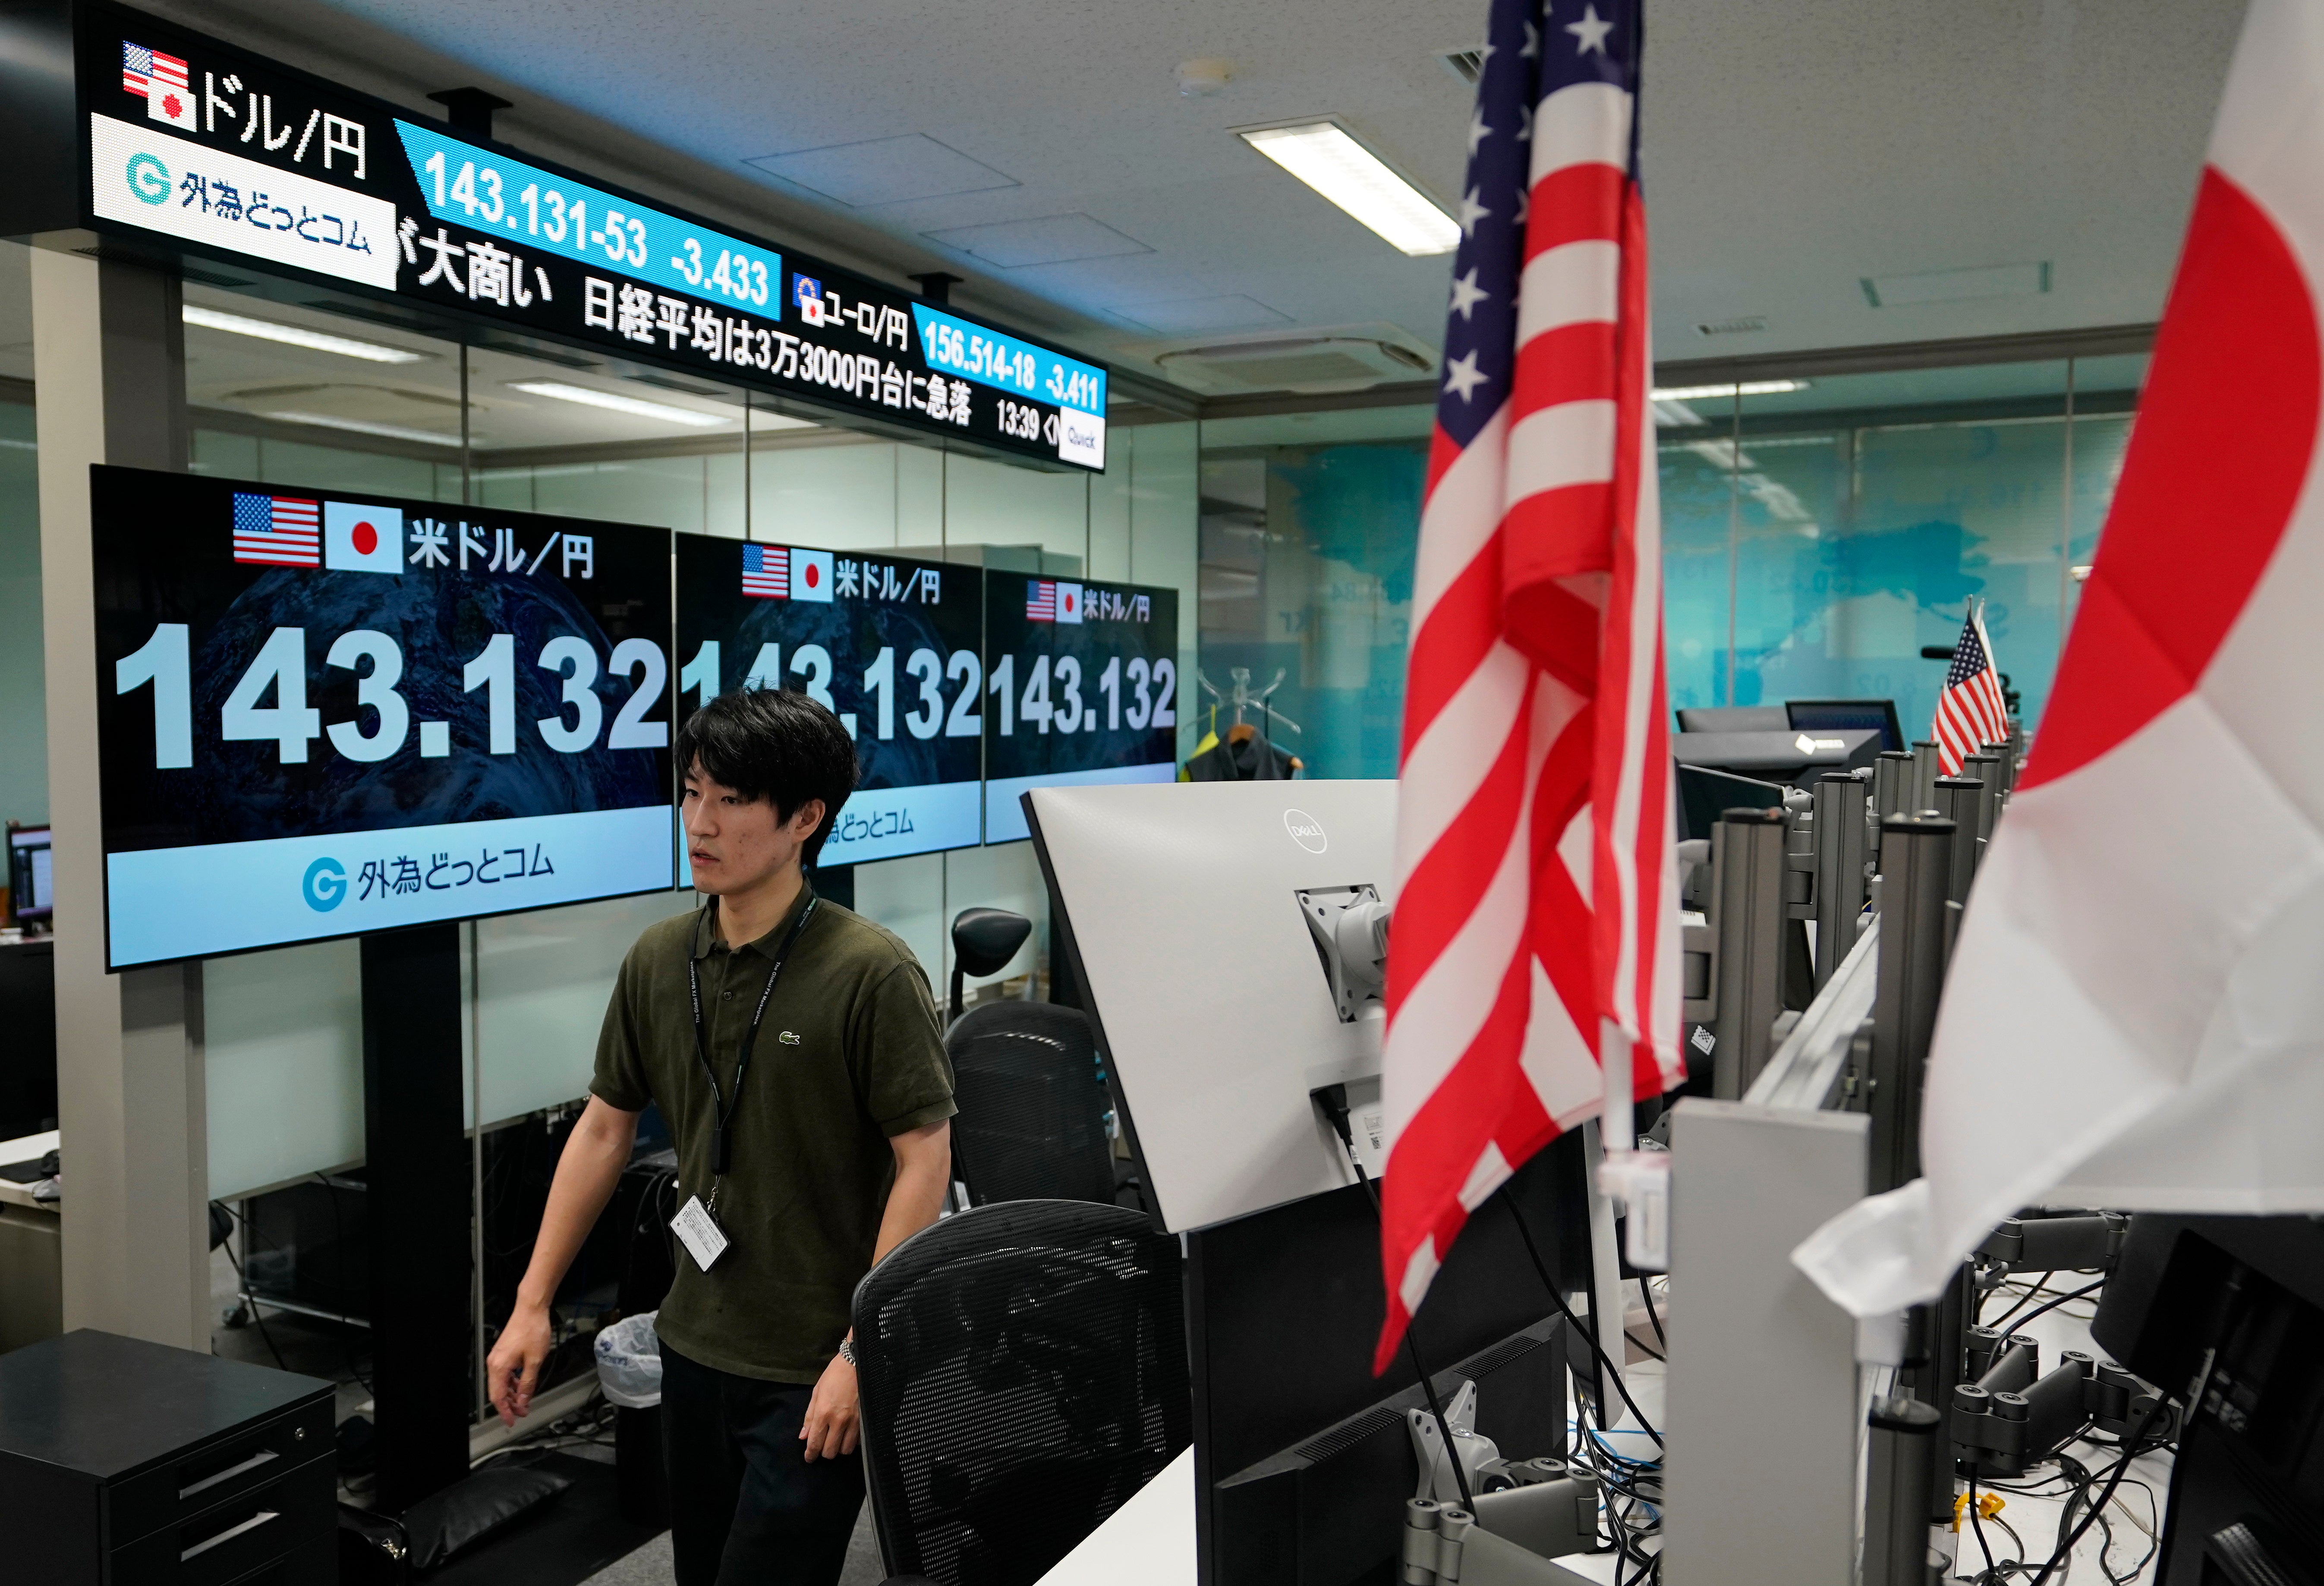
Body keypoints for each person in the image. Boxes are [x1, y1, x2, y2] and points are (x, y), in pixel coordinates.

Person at [485, 687, 955, 1586]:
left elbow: (922, 1158)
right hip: (694, 1340)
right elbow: (603, 1128)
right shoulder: (660, 959)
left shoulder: (870, 969)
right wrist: (533, 1300)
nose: (699, 822)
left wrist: (863, 1348)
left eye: (732, 799)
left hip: (815, 1357)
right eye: (692, 791)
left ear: (804, 817)